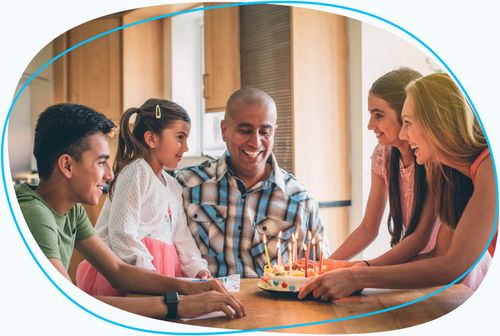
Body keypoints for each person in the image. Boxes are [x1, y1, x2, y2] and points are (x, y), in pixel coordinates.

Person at [16, 103, 245, 319]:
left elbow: (118, 270)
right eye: (100, 163)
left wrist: (190, 286)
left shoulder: (72, 211)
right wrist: (181, 304)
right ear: (67, 165)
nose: (110, 175)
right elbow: (69, 304)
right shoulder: (34, 214)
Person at [298, 72, 496, 300]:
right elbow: (440, 255)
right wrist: (351, 270)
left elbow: (453, 265)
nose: (403, 133)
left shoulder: (487, 167)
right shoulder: (452, 171)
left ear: (437, 123)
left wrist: (358, 275)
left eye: (408, 123)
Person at [176, 88, 327, 278]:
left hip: (273, 307)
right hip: (203, 305)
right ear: (224, 131)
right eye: (245, 131)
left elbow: (319, 274)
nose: (255, 142)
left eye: (265, 132)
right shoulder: (185, 186)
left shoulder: (300, 202)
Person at [76, 99, 210, 296]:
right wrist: (149, 276)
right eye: (180, 137)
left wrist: (198, 269)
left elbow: (181, 235)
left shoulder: (172, 185)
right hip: (131, 271)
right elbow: (122, 234)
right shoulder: (135, 172)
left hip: (160, 273)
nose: (186, 147)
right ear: (152, 139)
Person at [327, 68, 440, 268]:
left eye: (378, 115)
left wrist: (361, 269)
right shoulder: (384, 155)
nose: (370, 125)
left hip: (437, 266)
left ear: (407, 113)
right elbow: (369, 228)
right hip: (411, 265)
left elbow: (420, 238)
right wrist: (326, 265)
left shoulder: (433, 158)